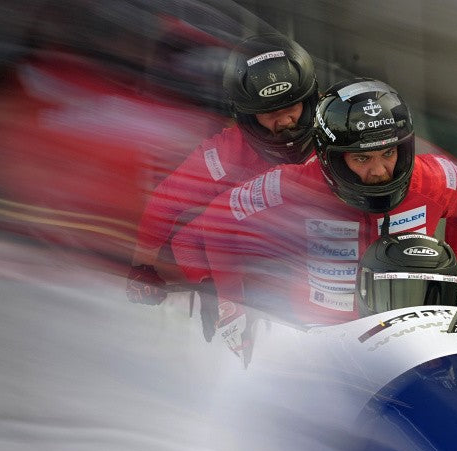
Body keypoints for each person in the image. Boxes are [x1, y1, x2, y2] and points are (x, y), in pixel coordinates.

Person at [170, 78, 457, 352]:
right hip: (321, 337)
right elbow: (212, 224)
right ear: (331, 157)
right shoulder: (288, 185)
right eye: (361, 158)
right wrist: (229, 304)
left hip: (414, 335)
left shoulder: (435, 179)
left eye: (388, 153)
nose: (378, 171)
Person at [126, 32, 319, 308]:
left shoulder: (339, 126)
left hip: (327, 248)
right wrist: (141, 269)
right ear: (248, 116)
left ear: (309, 98)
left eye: (291, 107)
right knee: (191, 239)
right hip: (265, 261)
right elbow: (165, 203)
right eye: (269, 113)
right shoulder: (225, 154)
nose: (285, 121)